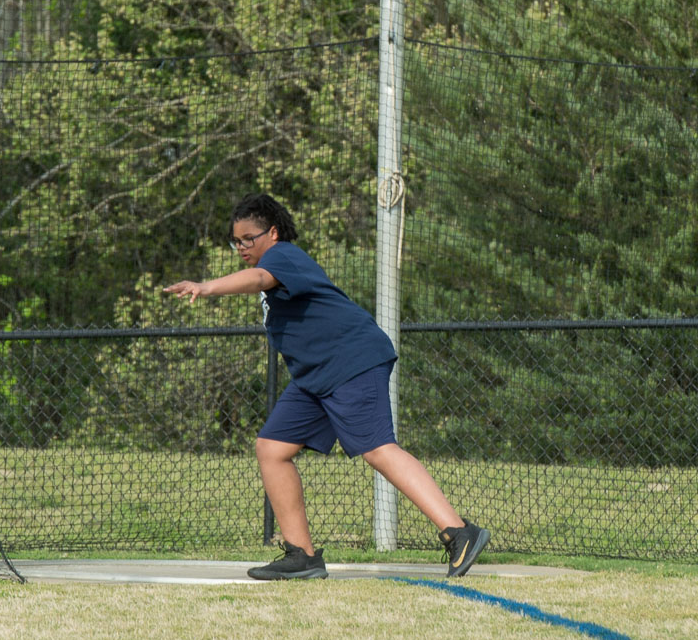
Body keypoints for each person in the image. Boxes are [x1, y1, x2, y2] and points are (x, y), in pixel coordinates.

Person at [164, 193, 490, 580]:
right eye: (236, 241)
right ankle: (301, 555)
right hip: (316, 376)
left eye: (248, 239)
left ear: (271, 232)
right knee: (272, 448)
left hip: (350, 361)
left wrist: (207, 287)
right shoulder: (273, 258)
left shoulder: (281, 255)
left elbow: (257, 279)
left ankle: (459, 532)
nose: (241, 248)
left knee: (377, 449)